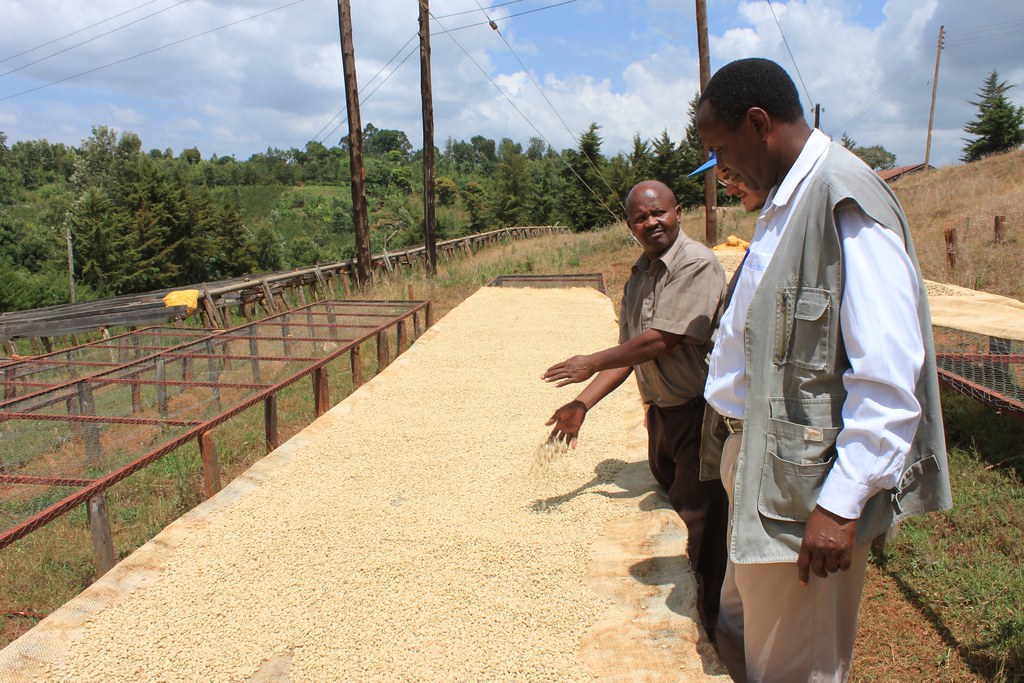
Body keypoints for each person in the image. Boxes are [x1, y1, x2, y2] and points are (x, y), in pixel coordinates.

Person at [693, 57, 952, 682]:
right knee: (743, 633)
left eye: (722, 149)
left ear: (758, 124)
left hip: (804, 489)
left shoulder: (844, 200)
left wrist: (840, 507)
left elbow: (888, 380)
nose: (721, 169)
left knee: (793, 665)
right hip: (761, 466)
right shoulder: (785, 200)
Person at [542, 179, 729, 638]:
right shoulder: (641, 274)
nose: (651, 223)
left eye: (658, 213)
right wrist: (583, 403)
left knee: (700, 525)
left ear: (677, 211)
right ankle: (690, 613)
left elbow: (664, 338)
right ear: (631, 226)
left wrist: (590, 362)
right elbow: (630, 351)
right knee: (670, 501)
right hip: (662, 414)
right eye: (641, 218)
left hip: (700, 415)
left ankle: (711, 626)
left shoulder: (696, 264)